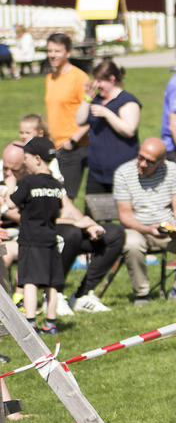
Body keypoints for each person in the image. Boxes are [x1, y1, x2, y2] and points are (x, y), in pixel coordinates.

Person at [2, 141, 121, 313]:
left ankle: (82, 295)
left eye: (15, 169)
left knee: (114, 233)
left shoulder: (41, 180)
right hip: (20, 236)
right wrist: (75, 223)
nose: (8, 173)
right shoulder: (7, 182)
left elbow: (67, 207)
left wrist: (89, 224)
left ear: (28, 163)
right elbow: (25, 216)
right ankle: (10, 310)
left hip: (41, 234)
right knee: (68, 234)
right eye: (5, 168)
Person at [114, 138, 176, 305]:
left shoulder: (172, 170)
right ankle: (142, 293)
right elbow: (125, 215)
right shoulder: (124, 172)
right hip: (137, 229)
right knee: (132, 243)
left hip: (167, 230)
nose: (143, 164)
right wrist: (148, 229)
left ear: (161, 161)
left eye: (149, 161)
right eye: (140, 157)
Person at [7, 137, 65, 334]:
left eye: (27, 158)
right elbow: (58, 210)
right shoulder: (56, 185)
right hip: (50, 238)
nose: (25, 162)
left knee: (30, 281)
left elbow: (12, 202)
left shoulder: (29, 182)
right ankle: (51, 323)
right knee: (52, 283)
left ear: (38, 159)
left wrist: (10, 185)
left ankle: (30, 321)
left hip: (30, 240)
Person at [76, 59, 141, 194]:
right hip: (96, 172)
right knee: (92, 207)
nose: (96, 84)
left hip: (123, 171)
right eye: (95, 80)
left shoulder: (127, 101)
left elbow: (129, 130)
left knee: (125, 207)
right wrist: (87, 98)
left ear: (112, 79)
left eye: (99, 81)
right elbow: (80, 120)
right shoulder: (97, 99)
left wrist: (107, 114)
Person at [44, 32, 91, 199]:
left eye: (57, 51)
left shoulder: (79, 78)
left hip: (74, 147)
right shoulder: (50, 77)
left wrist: (72, 141)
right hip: (56, 146)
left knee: (66, 198)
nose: (52, 55)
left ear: (68, 53)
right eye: (49, 51)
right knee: (55, 195)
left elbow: (92, 115)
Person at [18, 114, 62, 182]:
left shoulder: (46, 152)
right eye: (21, 133)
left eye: (27, 133)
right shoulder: (18, 148)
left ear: (40, 133)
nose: (23, 136)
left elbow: (57, 177)